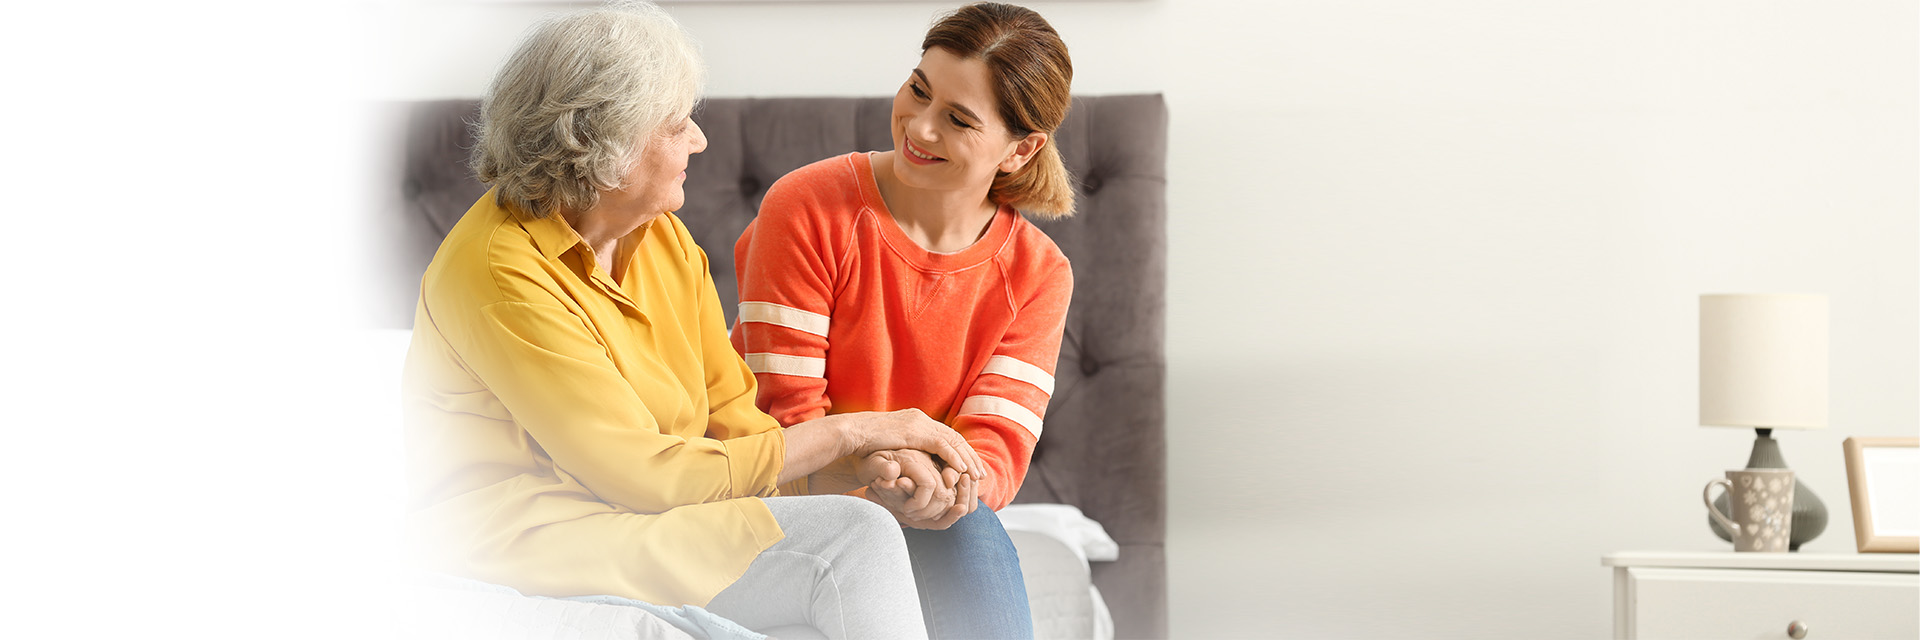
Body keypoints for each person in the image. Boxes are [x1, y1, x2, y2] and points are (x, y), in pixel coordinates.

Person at [402, 3, 984, 638]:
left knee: (883, 520)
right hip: (537, 536)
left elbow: (736, 427)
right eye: (676, 124)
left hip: (644, 515)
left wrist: (856, 468)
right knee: (851, 539)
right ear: (606, 146)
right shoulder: (499, 272)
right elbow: (645, 475)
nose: (699, 140)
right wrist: (852, 433)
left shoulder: (663, 239)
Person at [729, 3, 1076, 638]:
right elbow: (782, 418)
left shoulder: (1039, 274)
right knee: (940, 532)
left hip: (925, 515)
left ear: (1020, 150)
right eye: (918, 89)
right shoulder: (806, 207)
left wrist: (934, 490)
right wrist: (881, 467)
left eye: (958, 119)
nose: (919, 126)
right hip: (784, 500)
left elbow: (994, 449)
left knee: (969, 526)